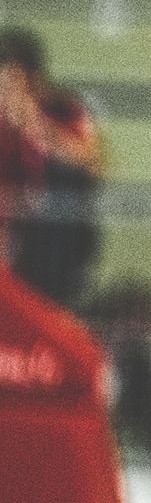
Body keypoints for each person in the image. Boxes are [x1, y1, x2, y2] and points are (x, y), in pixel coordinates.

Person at [0, 28, 104, 307]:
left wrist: (32, 123)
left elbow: (89, 162)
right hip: (11, 239)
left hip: (51, 246)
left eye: (10, 83)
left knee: (68, 179)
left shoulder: (61, 109)